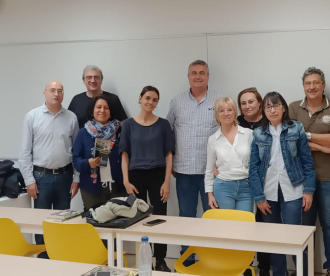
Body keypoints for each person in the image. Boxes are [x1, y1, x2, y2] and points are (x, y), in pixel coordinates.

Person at [250, 92, 316, 276]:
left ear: (284, 107)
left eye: (276, 105)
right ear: (263, 110)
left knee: (295, 238)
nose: (273, 110)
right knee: (274, 239)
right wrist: (259, 197)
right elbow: (253, 169)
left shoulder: (296, 128)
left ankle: (303, 273)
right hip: (267, 192)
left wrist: (309, 190)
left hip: (293, 189)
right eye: (268, 106)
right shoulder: (258, 133)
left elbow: (307, 162)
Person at [289, 67, 330, 276]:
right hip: (301, 178)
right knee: (304, 225)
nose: (311, 87)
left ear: (323, 85)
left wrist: (306, 135)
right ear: (303, 86)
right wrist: (319, 143)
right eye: (307, 83)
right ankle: (304, 268)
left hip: (329, 177)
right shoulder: (294, 108)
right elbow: (291, 141)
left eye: (316, 83)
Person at [166, 60, 223, 265]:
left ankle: (212, 259)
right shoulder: (177, 102)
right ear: (188, 76)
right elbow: (168, 132)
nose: (198, 76)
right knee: (186, 216)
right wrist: (171, 163)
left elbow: (227, 129)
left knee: (212, 217)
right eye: (193, 73)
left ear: (208, 76)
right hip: (184, 171)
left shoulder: (219, 100)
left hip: (212, 172)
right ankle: (187, 259)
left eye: (202, 73)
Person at [18, 81, 80, 258]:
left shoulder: (71, 118)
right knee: (41, 223)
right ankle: (44, 259)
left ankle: (60, 257)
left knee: (62, 221)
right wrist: (29, 181)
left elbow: (76, 151)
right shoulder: (32, 116)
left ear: (63, 94)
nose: (56, 94)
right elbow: (24, 152)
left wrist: (76, 179)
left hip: (65, 177)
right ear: (44, 93)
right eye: (52, 90)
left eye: (60, 91)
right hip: (40, 178)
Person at [119, 86, 174, 272]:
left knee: (159, 218)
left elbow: (168, 154)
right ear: (140, 98)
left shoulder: (164, 124)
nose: (151, 102)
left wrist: (167, 181)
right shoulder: (128, 124)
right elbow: (124, 154)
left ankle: (160, 259)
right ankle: (145, 260)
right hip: (135, 176)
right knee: (139, 219)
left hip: (158, 175)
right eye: (148, 98)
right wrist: (126, 181)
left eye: (155, 100)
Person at [237, 87, 270, 276]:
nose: (247, 106)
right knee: (246, 225)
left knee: (263, 225)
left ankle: (264, 266)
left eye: (251, 102)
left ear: (259, 103)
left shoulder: (268, 121)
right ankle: (246, 266)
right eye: (243, 103)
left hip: (266, 181)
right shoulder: (236, 121)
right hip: (242, 182)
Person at [72, 95, 126, 210]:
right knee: (95, 223)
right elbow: (76, 161)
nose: (102, 110)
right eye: (99, 107)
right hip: (92, 189)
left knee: (118, 224)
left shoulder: (119, 131)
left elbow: (126, 156)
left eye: (106, 108)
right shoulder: (83, 133)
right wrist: (88, 163)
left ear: (110, 111)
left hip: (118, 188)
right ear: (93, 110)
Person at [205, 97, 253, 213]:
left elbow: (256, 162)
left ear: (235, 112)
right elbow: (209, 170)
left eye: (230, 110)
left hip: (246, 186)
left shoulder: (248, 134)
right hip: (223, 187)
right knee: (226, 227)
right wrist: (210, 195)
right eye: (221, 111)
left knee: (245, 225)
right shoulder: (213, 139)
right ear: (217, 115)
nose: (226, 114)